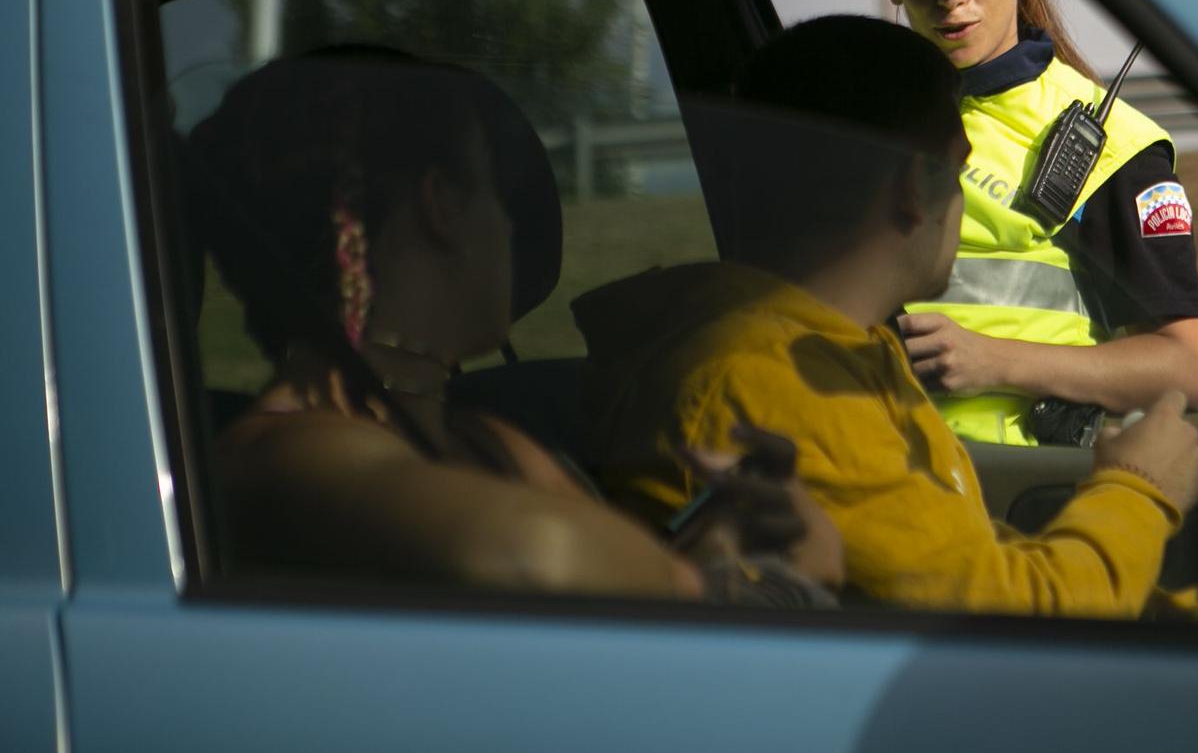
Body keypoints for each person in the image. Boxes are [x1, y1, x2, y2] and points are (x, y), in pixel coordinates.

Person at [578, 16, 1198, 615]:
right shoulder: (777, 385)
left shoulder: (848, 354)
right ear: (913, 189)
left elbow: (962, 560)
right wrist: (1136, 487)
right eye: (957, 171)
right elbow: (996, 625)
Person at [189, 49, 839, 603]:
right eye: (498, 193)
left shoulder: (486, 440)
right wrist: (705, 581)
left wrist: (737, 537)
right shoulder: (280, 455)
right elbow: (538, 552)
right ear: (440, 203)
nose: (509, 224)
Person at [878, 0, 1198, 447]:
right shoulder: (852, 120)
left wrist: (995, 361)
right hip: (859, 473)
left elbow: (1188, 369)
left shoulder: (1118, 147)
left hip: (1013, 496)